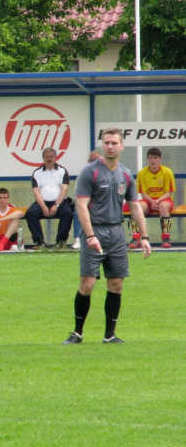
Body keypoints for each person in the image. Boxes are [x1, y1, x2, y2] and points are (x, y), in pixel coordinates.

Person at [62, 127, 151, 345]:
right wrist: (90, 235)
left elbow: (135, 207)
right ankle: (77, 333)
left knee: (116, 285)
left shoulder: (125, 174)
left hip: (117, 232)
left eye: (114, 143)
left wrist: (145, 236)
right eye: (106, 143)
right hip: (95, 232)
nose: (110, 147)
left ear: (122, 146)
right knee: (88, 283)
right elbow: (81, 206)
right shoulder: (89, 172)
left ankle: (109, 335)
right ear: (102, 145)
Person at [126, 147, 176, 249]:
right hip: (148, 200)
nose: (153, 161)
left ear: (160, 159)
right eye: (151, 158)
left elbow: (168, 193)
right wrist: (152, 201)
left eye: (155, 158)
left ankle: (166, 237)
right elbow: (143, 193)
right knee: (138, 206)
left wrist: (157, 200)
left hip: (163, 199)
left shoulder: (167, 172)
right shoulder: (142, 173)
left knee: (163, 205)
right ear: (147, 159)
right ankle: (136, 237)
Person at [25, 147, 73, 250]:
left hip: (59, 202)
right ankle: (39, 242)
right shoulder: (37, 172)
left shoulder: (62, 171)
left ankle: (61, 242)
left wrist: (56, 205)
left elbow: (64, 190)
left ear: (55, 158)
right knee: (31, 213)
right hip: (42, 202)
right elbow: (36, 192)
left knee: (68, 213)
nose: (49, 159)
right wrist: (43, 207)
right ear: (43, 158)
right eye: (47, 157)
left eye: (51, 157)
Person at [72, 150, 102, 249]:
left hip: (101, 204)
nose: (93, 162)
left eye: (96, 160)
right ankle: (78, 239)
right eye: (91, 160)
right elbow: (76, 194)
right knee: (78, 211)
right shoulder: (83, 175)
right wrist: (81, 205)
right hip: (86, 204)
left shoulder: (107, 173)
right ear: (88, 161)